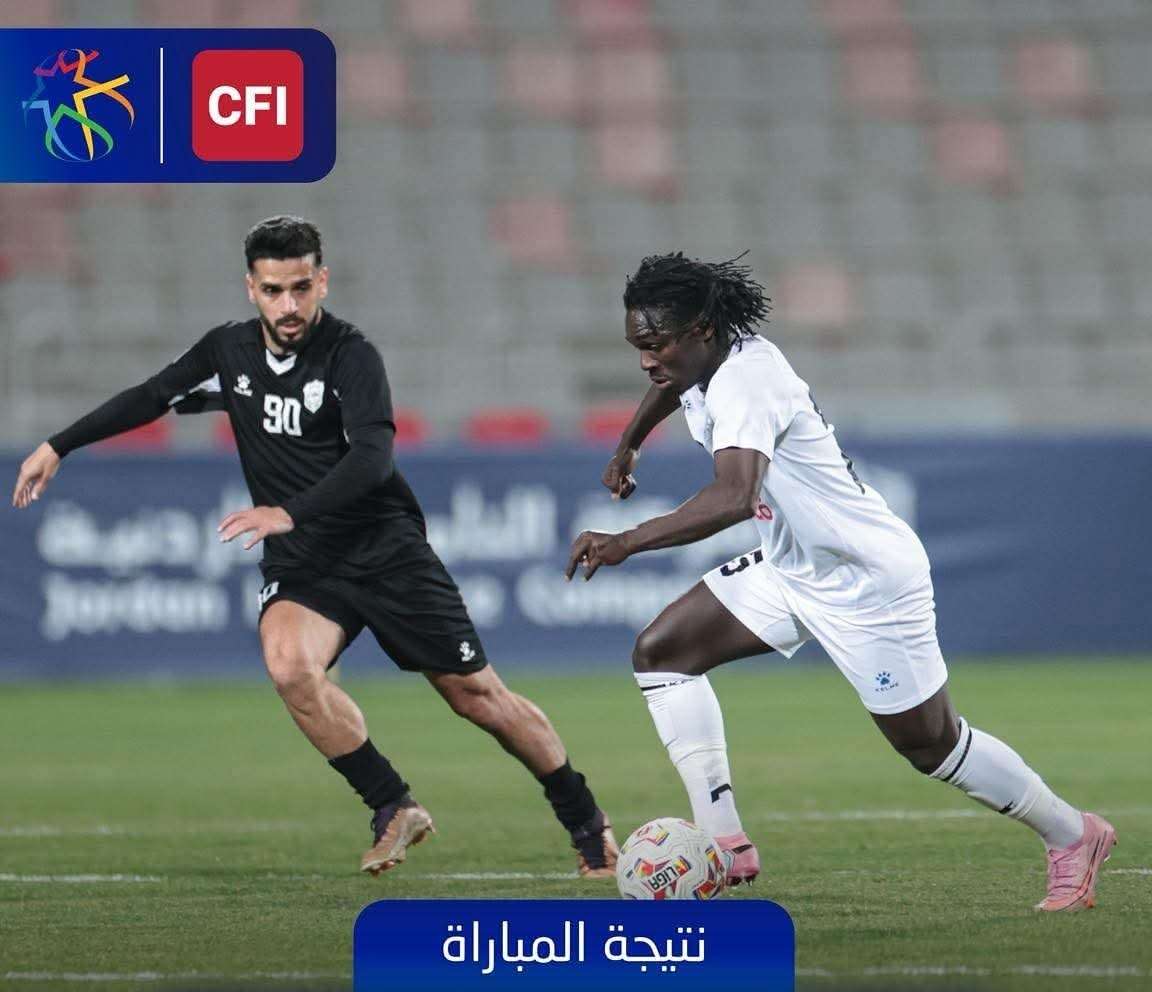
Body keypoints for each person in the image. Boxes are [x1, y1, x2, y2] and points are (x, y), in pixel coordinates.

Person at [12, 215, 618, 879]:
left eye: (301, 287)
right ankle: (392, 804)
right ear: (251, 289)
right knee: (289, 667)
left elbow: (374, 459)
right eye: (274, 290)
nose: (289, 305)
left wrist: (288, 511)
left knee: (477, 697)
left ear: (322, 281)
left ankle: (587, 822)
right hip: (305, 560)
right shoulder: (229, 351)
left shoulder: (351, 357)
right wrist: (58, 445)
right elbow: (154, 396)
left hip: (383, 548)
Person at [566, 252, 1114, 912]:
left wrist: (626, 541)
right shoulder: (704, 362)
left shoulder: (747, 381)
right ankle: (724, 842)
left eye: (655, 345)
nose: (647, 361)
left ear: (702, 329)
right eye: (639, 346)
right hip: (794, 567)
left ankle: (1073, 834)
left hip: (865, 581)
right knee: (663, 654)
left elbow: (734, 498)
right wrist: (629, 443)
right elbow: (672, 386)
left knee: (931, 746)